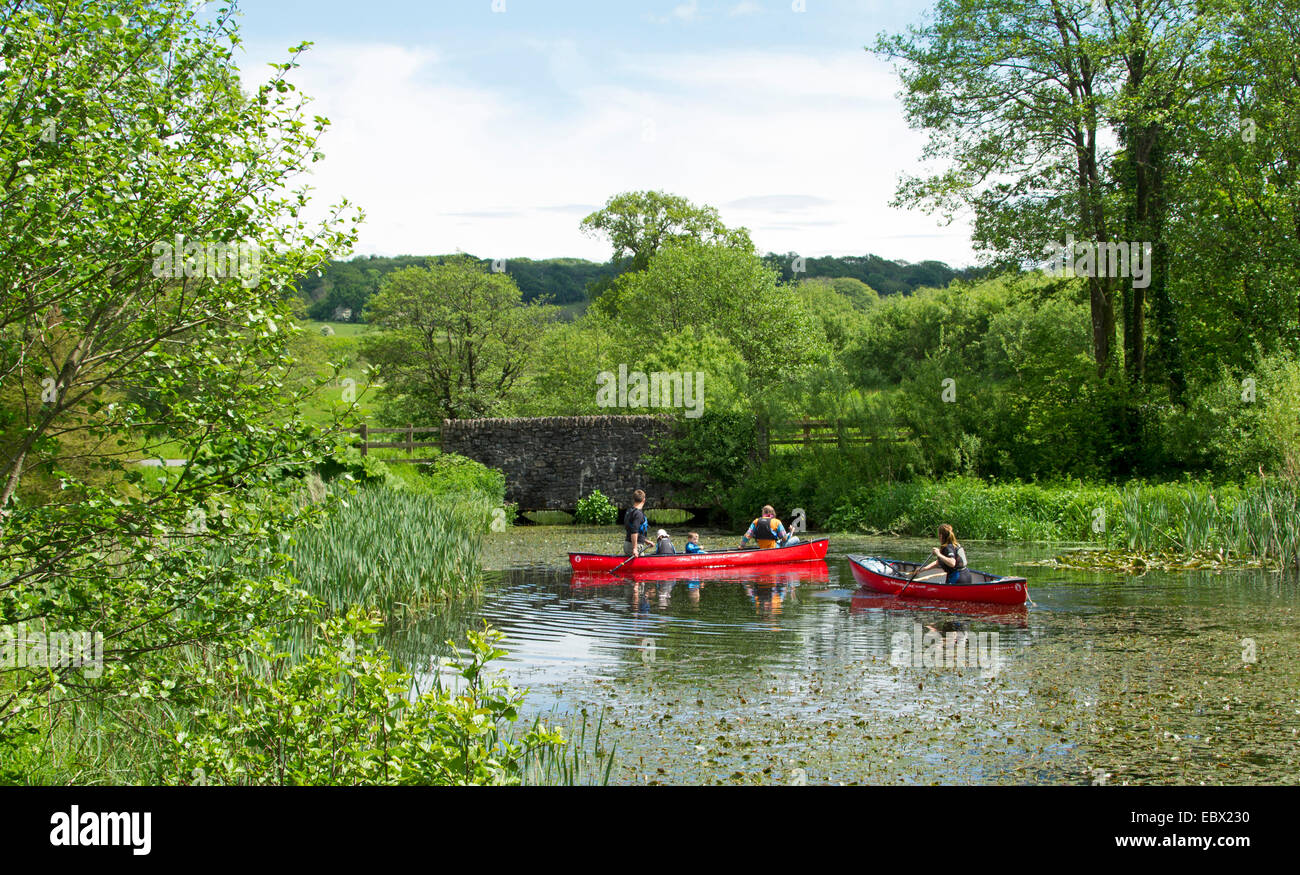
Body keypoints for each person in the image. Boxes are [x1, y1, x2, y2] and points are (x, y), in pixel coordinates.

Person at [623, 489, 649, 557]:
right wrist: (634, 548)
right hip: (634, 545)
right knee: (641, 567)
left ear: (634, 499)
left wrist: (645, 541)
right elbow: (634, 531)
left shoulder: (629, 511)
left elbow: (633, 530)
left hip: (627, 543)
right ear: (644, 500)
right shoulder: (638, 514)